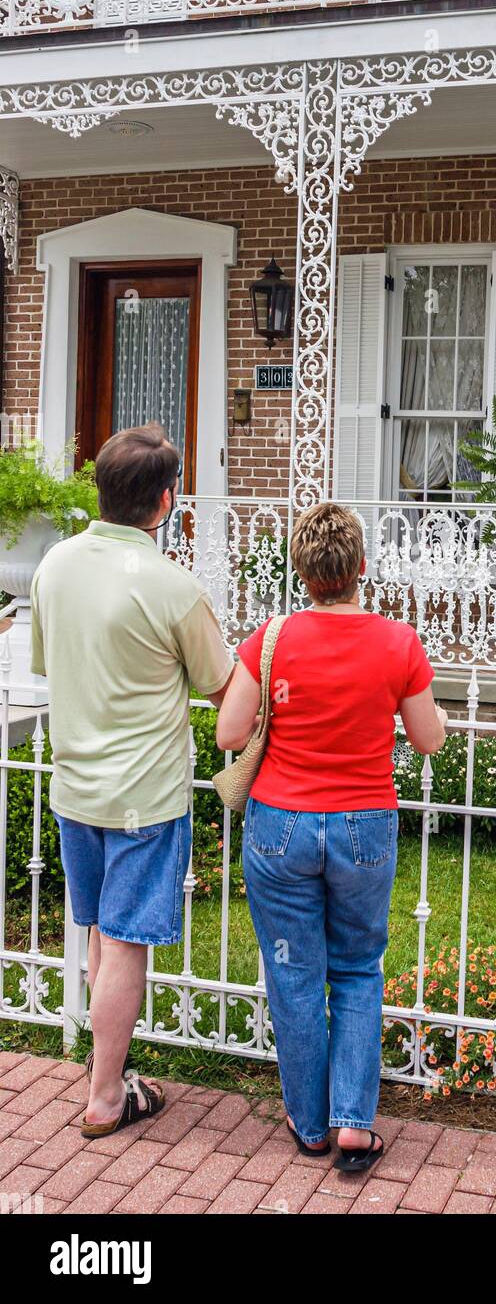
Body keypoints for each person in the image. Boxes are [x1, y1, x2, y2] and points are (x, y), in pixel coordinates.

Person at [217, 503, 447, 1173]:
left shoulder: (272, 637)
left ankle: (309, 1122)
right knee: (354, 970)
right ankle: (353, 1122)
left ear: (303, 572)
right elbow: (429, 739)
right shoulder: (399, 643)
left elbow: (231, 734)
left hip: (280, 826)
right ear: (361, 570)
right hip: (363, 825)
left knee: (294, 976)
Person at [31, 423, 234, 1139]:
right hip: (143, 797)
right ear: (165, 500)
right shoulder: (172, 586)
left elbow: (50, 666)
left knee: (96, 936)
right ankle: (108, 1093)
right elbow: (223, 686)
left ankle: (104, 1074)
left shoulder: (52, 567)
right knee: (122, 943)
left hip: (74, 787)